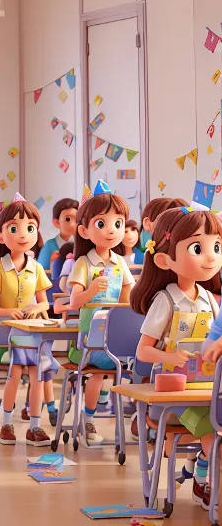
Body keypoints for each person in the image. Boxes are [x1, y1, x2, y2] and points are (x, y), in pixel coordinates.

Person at [134, 206, 222, 509]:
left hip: (207, 387)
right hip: (173, 392)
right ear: (164, 260)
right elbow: (142, 351)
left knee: (214, 421)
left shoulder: (211, 299)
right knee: (212, 428)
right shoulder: (166, 299)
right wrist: (170, 354)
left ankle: (199, 479)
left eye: (217, 247)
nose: (211, 256)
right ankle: (209, 485)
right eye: (199, 248)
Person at [63, 180, 134, 448]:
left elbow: (128, 300)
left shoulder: (120, 263)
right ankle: (89, 419)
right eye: (102, 224)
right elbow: (74, 302)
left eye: (119, 224)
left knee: (117, 369)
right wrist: (92, 289)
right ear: (84, 230)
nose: (113, 231)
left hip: (115, 336)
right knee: (100, 372)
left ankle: (102, 407)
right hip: (89, 341)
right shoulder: (83, 263)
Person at [0, 195, 54, 447]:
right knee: (13, 375)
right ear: (1, 236)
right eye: (14, 228)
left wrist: (38, 306)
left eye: (30, 228)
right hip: (8, 335)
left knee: (37, 377)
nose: (23, 234)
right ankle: (6, 423)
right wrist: (7, 311)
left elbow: (46, 303)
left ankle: (35, 427)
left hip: (34, 332)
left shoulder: (35, 267)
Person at [40, 198, 79, 275]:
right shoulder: (49, 245)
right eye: (68, 219)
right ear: (57, 222)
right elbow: (40, 271)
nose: (74, 223)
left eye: (77, 219)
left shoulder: (82, 245)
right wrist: (52, 265)